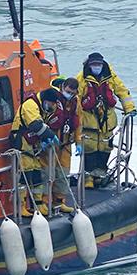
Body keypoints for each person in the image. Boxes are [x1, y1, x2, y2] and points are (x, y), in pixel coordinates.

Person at [76, 52, 136, 189]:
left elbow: (122, 91)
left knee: (105, 148)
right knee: (89, 149)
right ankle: (88, 178)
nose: (96, 67)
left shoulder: (110, 77)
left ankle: (100, 176)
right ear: (89, 65)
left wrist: (130, 108)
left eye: (98, 64)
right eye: (93, 64)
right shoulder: (81, 79)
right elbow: (76, 99)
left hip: (107, 121)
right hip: (89, 121)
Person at [11, 88, 61, 216]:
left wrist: (45, 139)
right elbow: (36, 125)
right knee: (24, 175)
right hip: (22, 141)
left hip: (33, 143)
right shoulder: (30, 105)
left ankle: (37, 204)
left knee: (37, 175)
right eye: (51, 103)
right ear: (45, 100)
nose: (51, 106)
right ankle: (20, 206)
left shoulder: (41, 107)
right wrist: (49, 136)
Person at [43, 78, 82, 213]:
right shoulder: (54, 99)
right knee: (48, 172)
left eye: (72, 92)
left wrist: (78, 142)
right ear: (62, 87)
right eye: (67, 91)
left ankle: (59, 201)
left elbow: (78, 123)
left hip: (66, 142)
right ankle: (44, 201)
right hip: (52, 142)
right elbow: (45, 118)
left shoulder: (76, 103)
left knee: (63, 172)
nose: (69, 94)